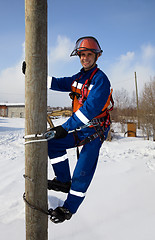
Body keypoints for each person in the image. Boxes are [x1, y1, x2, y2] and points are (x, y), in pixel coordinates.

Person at [47, 36, 113, 223]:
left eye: (89, 55)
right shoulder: (80, 77)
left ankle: (68, 209)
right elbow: (61, 83)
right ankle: (62, 180)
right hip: (81, 128)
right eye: (82, 55)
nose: (85, 58)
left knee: (82, 172)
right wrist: (36, 74)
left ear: (96, 56)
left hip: (95, 131)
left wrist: (64, 127)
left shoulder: (100, 80)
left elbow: (88, 111)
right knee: (53, 143)